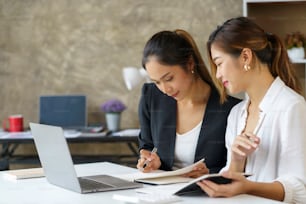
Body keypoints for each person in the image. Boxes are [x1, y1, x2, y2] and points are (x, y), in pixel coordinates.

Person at [197, 16, 306, 203]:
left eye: (219, 63)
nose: (218, 74)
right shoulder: (236, 114)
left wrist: (249, 187)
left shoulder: (292, 107)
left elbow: (300, 190)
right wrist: (237, 162)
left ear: (246, 56)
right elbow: (233, 182)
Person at [136, 29, 241, 178]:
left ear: (190, 64)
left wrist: (209, 173)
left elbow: (237, 168)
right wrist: (149, 161)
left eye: (169, 78)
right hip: (160, 194)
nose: (165, 89)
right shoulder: (151, 97)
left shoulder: (231, 110)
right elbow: (147, 145)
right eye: (157, 82)